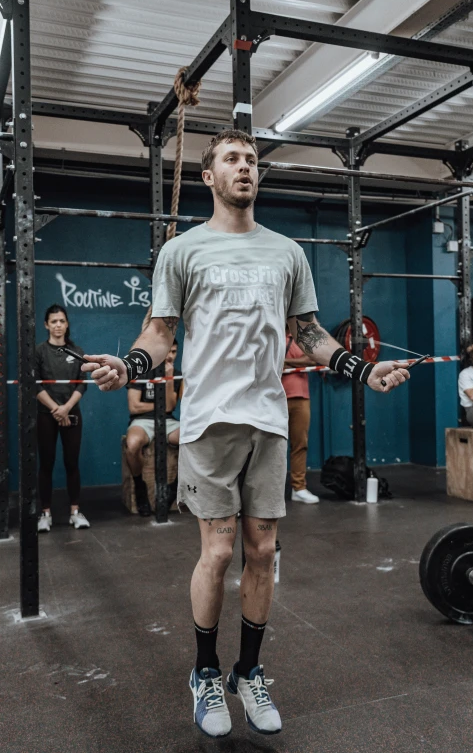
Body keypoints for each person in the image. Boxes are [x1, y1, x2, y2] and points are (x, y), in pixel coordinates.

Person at [82, 130, 410, 739]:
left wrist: (364, 369)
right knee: (219, 551)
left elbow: (309, 335)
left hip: (269, 419)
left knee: (262, 551)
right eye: (232, 159)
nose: (245, 167)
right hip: (207, 422)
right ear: (208, 176)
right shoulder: (182, 252)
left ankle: (248, 671)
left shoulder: (287, 253)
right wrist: (126, 367)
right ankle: (205, 672)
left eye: (252, 160)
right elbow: (158, 335)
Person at [36, 304, 90, 532]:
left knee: (72, 463)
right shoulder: (39, 352)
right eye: (54, 321)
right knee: (46, 464)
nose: (58, 325)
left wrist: (66, 408)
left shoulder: (76, 351)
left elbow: (81, 384)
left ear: (67, 324)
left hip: (71, 413)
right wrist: (56, 410)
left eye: (62, 321)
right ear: (46, 325)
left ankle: (75, 512)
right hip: (46, 415)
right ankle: (45, 513)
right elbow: (35, 384)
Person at [126, 338, 181, 516]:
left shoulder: (177, 374)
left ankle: (175, 486)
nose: (170, 356)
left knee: (193, 440)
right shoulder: (142, 372)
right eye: (168, 351)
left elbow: (170, 407)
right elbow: (134, 406)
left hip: (168, 421)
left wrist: (169, 378)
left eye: (174, 352)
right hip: (143, 420)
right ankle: (139, 486)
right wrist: (160, 406)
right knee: (133, 444)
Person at [282, 328, 319, 504]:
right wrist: (298, 363)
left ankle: (299, 488)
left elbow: (312, 359)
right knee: (269, 447)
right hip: (275, 398)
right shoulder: (271, 333)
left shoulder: (302, 337)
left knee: (300, 444)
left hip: (301, 397)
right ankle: (267, 492)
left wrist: (285, 362)